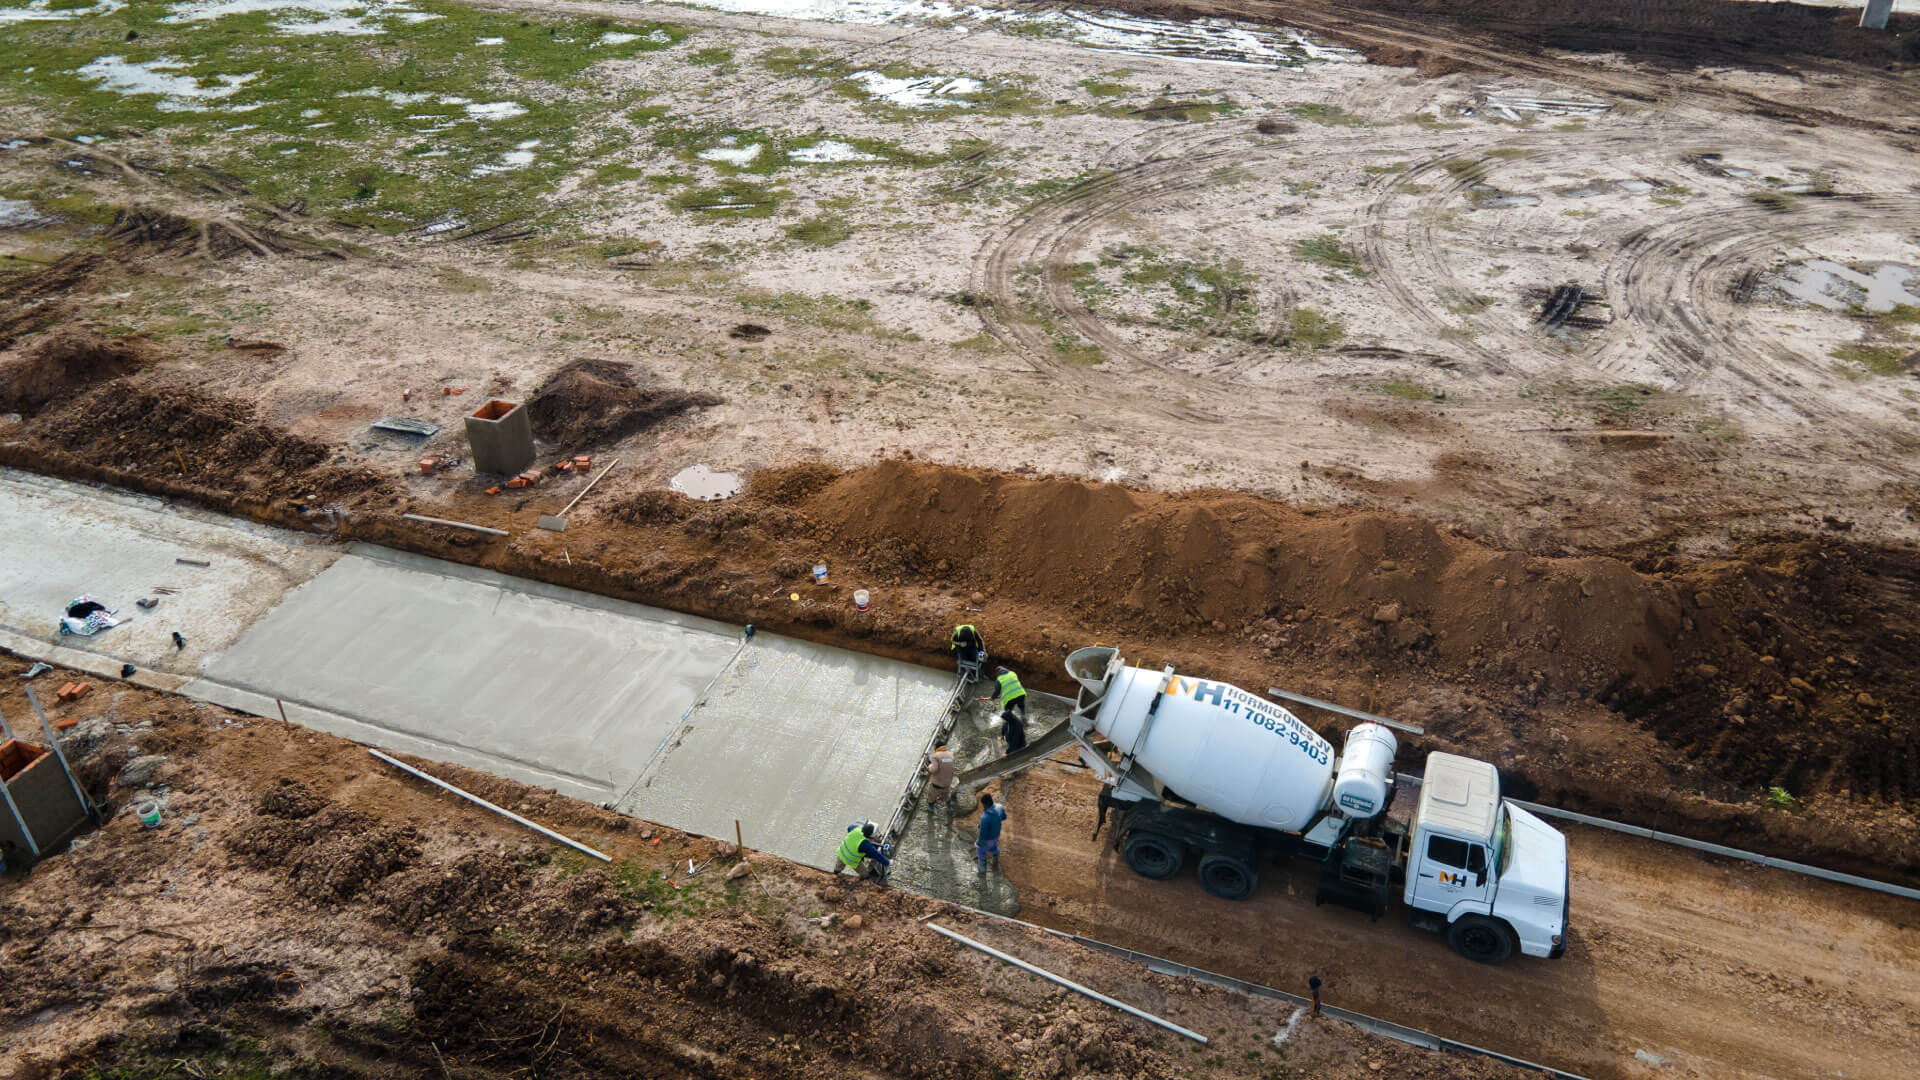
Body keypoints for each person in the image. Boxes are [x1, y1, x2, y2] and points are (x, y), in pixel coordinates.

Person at [975, 792, 1007, 870]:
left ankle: (982, 871)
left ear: (985, 804)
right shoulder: (999, 807)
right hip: (996, 835)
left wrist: (979, 843)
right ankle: (995, 863)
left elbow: (983, 834)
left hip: (988, 839)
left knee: (981, 851)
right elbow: (1004, 817)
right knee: (994, 847)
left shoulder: (985, 817)